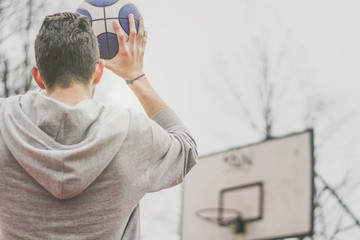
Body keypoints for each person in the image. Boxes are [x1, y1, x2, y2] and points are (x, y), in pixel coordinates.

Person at [0, 12, 197, 239]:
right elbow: (187, 149)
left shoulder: (4, 122)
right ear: (98, 72)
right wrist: (135, 75)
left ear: (38, 76)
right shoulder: (131, 132)